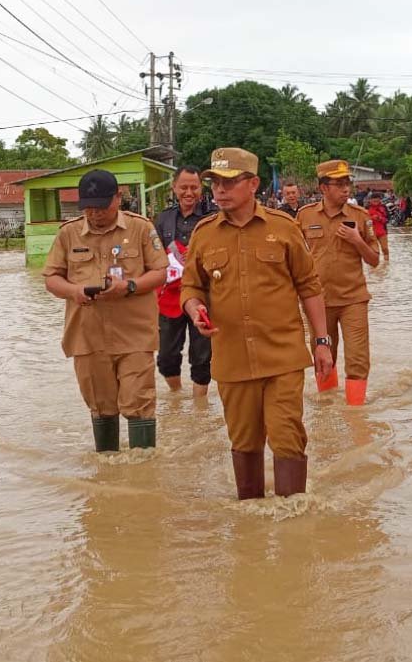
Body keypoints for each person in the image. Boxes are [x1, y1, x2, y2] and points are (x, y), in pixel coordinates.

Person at [181, 147, 334, 499]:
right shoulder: (204, 234)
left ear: (253, 184)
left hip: (282, 356)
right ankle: (251, 524)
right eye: (215, 182)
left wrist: (322, 341)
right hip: (232, 359)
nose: (219, 190)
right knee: (244, 442)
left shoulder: (282, 228)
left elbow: (309, 286)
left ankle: (293, 521)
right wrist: (194, 309)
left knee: (286, 435)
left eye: (229, 182)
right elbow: (191, 286)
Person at [43, 169, 169, 452]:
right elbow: (51, 279)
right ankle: (108, 472)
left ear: (118, 198)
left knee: (138, 403)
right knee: (101, 406)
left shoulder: (140, 228)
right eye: (88, 207)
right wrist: (74, 291)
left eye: (101, 206)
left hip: (134, 333)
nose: (95, 213)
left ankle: (143, 474)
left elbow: (160, 273)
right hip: (87, 335)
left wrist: (130, 286)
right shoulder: (68, 233)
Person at [296, 160, 381, 404]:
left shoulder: (360, 217)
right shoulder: (305, 216)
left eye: (348, 184)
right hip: (318, 301)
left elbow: (375, 260)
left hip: (353, 299)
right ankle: (328, 411)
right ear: (323, 188)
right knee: (323, 357)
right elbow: (292, 257)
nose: (346, 189)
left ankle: (356, 415)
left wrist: (357, 240)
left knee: (357, 359)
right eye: (339, 184)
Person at [154, 166, 214, 399]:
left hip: (203, 293)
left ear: (201, 188)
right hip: (169, 296)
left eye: (194, 187)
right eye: (184, 187)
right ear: (174, 188)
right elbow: (153, 254)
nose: (189, 192)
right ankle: (177, 398)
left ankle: (200, 408)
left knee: (201, 354)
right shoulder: (164, 218)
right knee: (166, 355)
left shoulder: (213, 217)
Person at [367, 193, 390, 261]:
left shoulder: (383, 207)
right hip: (371, 232)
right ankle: (373, 266)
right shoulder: (366, 208)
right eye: (374, 201)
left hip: (382, 231)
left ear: (380, 200)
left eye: (377, 201)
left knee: (385, 248)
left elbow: (388, 219)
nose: (376, 202)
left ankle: (386, 264)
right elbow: (363, 220)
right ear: (370, 200)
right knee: (374, 250)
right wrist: (371, 218)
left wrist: (380, 218)